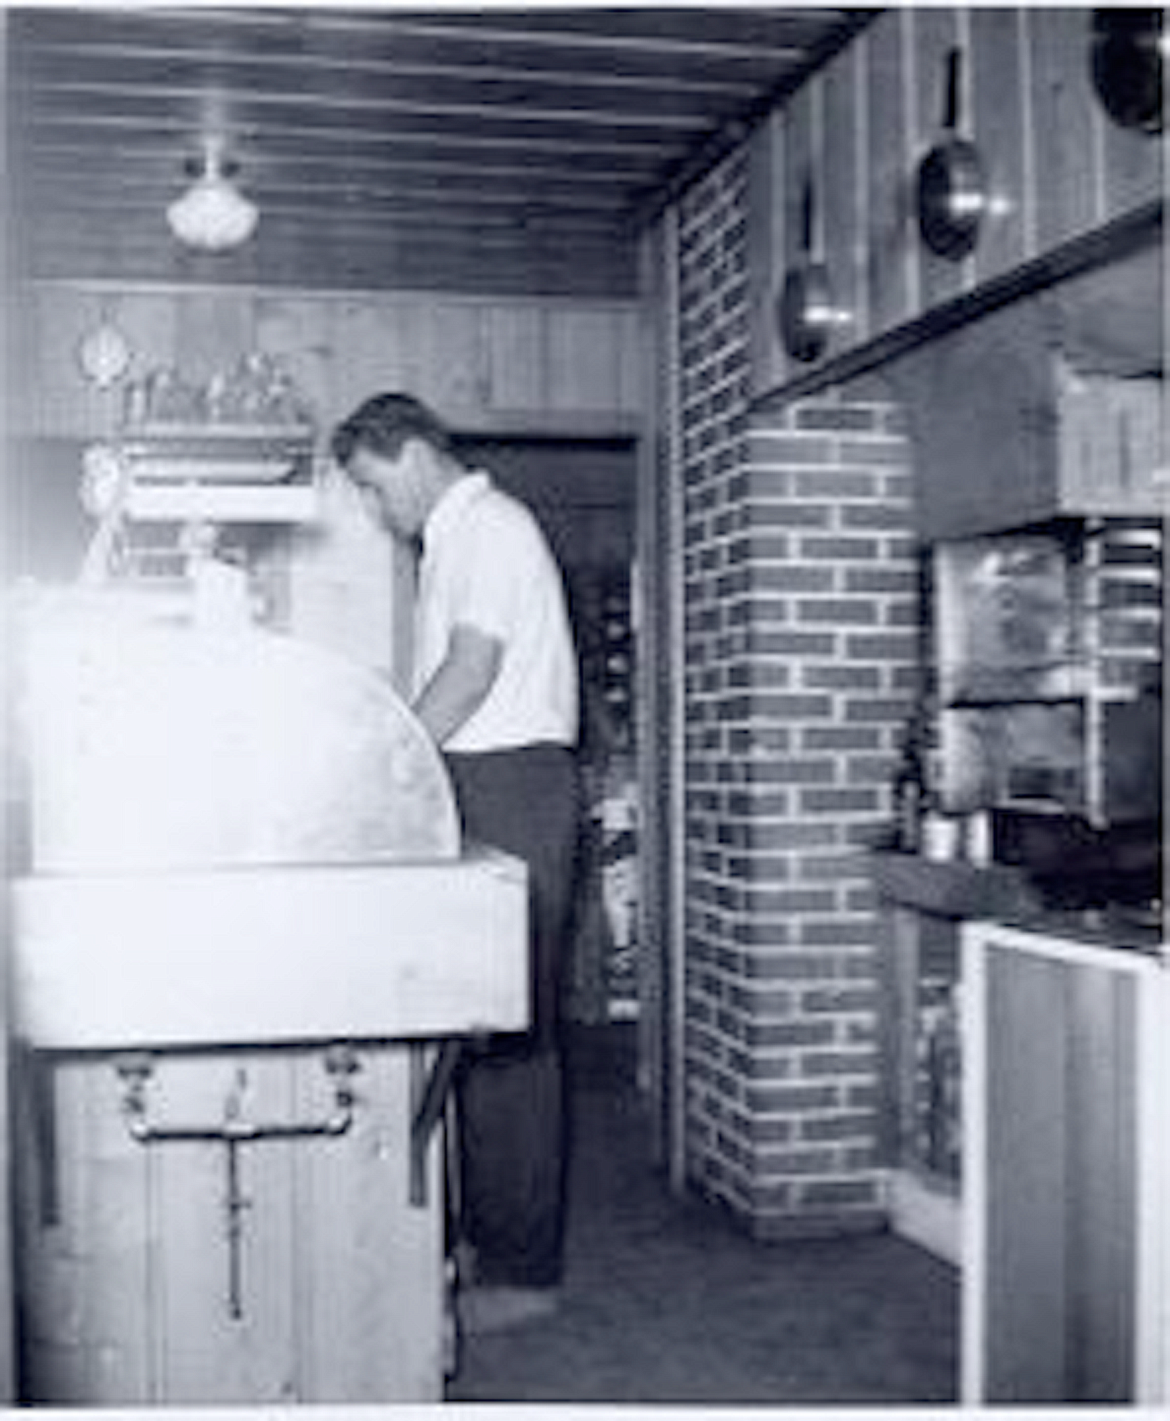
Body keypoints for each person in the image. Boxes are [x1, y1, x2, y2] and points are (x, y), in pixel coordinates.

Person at [330, 392, 582, 1332]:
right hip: (480, 777)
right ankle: (489, 1238)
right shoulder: (453, 537)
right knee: (472, 1026)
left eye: (369, 486)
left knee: (510, 1036)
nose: (371, 508)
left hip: (511, 781)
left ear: (410, 456)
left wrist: (389, 759)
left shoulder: (489, 525)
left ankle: (525, 1271)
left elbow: (470, 675)